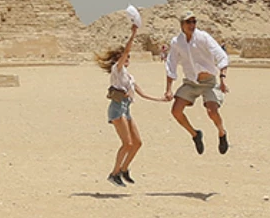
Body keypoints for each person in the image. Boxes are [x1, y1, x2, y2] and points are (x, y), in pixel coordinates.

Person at [97, 23, 163, 187]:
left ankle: (124, 169)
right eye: (126, 57)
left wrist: (161, 99)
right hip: (117, 108)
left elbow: (141, 93)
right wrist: (133, 35)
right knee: (127, 143)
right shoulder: (116, 70)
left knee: (137, 143)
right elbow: (126, 51)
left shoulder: (129, 77)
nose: (128, 58)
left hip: (126, 109)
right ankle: (114, 174)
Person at [162, 13, 230, 154]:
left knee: (212, 111)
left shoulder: (203, 37)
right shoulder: (176, 42)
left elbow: (221, 56)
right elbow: (171, 64)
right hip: (191, 82)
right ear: (182, 25)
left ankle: (222, 132)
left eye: (194, 21)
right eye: (189, 22)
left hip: (209, 82)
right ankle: (195, 134)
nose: (192, 25)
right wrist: (168, 89)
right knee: (176, 111)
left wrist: (223, 79)